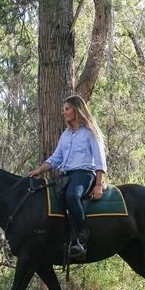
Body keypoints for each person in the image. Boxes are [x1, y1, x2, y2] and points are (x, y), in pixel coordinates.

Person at [28, 94, 106, 259]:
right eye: (64, 109)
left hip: (85, 174)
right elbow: (55, 159)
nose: (64, 113)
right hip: (66, 175)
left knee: (72, 195)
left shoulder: (90, 133)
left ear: (77, 110)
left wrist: (98, 185)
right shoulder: (65, 135)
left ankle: (82, 238)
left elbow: (100, 160)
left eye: (67, 109)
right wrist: (39, 170)